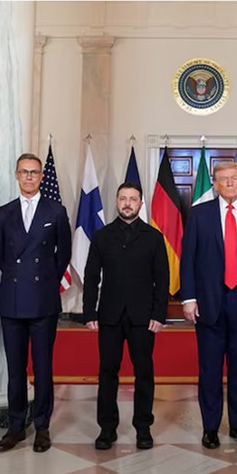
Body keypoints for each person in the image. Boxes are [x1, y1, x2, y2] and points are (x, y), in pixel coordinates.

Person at [181, 160, 237, 449]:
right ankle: (210, 427)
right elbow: (188, 258)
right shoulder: (199, 214)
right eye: (223, 179)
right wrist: (189, 298)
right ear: (215, 184)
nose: (229, 183)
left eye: (234, 178)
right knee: (209, 369)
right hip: (210, 298)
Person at [0, 153, 72, 453]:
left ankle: (42, 426)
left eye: (34, 172)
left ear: (41, 176)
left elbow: (63, 254)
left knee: (43, 367)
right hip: (12, 299)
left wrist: (44, 280)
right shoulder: (4, 213)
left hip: (43, 300)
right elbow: (1, 256)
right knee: (15, 369)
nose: (29, 177)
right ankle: (15, 426)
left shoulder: (56, 211)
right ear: (16, 175)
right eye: (24, 172)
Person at [83, 182, 169, 451]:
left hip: (143, 317)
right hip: (109, 315)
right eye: (123, 198)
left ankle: (143, 428)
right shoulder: (102, 236)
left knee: (144, 372)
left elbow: (162, 279)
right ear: (116, 202)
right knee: (107, 371)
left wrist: (159, 314)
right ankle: (107, 429)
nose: (128, 203)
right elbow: (91, 276)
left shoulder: (153, 237)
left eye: (133, 199)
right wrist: (89, 311)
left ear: (141, 204)